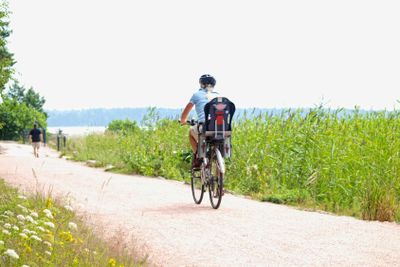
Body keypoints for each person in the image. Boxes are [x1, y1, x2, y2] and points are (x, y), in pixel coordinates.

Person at [180, 74, 219, 167]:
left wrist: (183, 120)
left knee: (190, 131)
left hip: (205, 127)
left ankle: (198, 156)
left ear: (201, 84)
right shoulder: (218, 95)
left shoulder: (197, 95)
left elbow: (186, 112)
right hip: (221, 128)